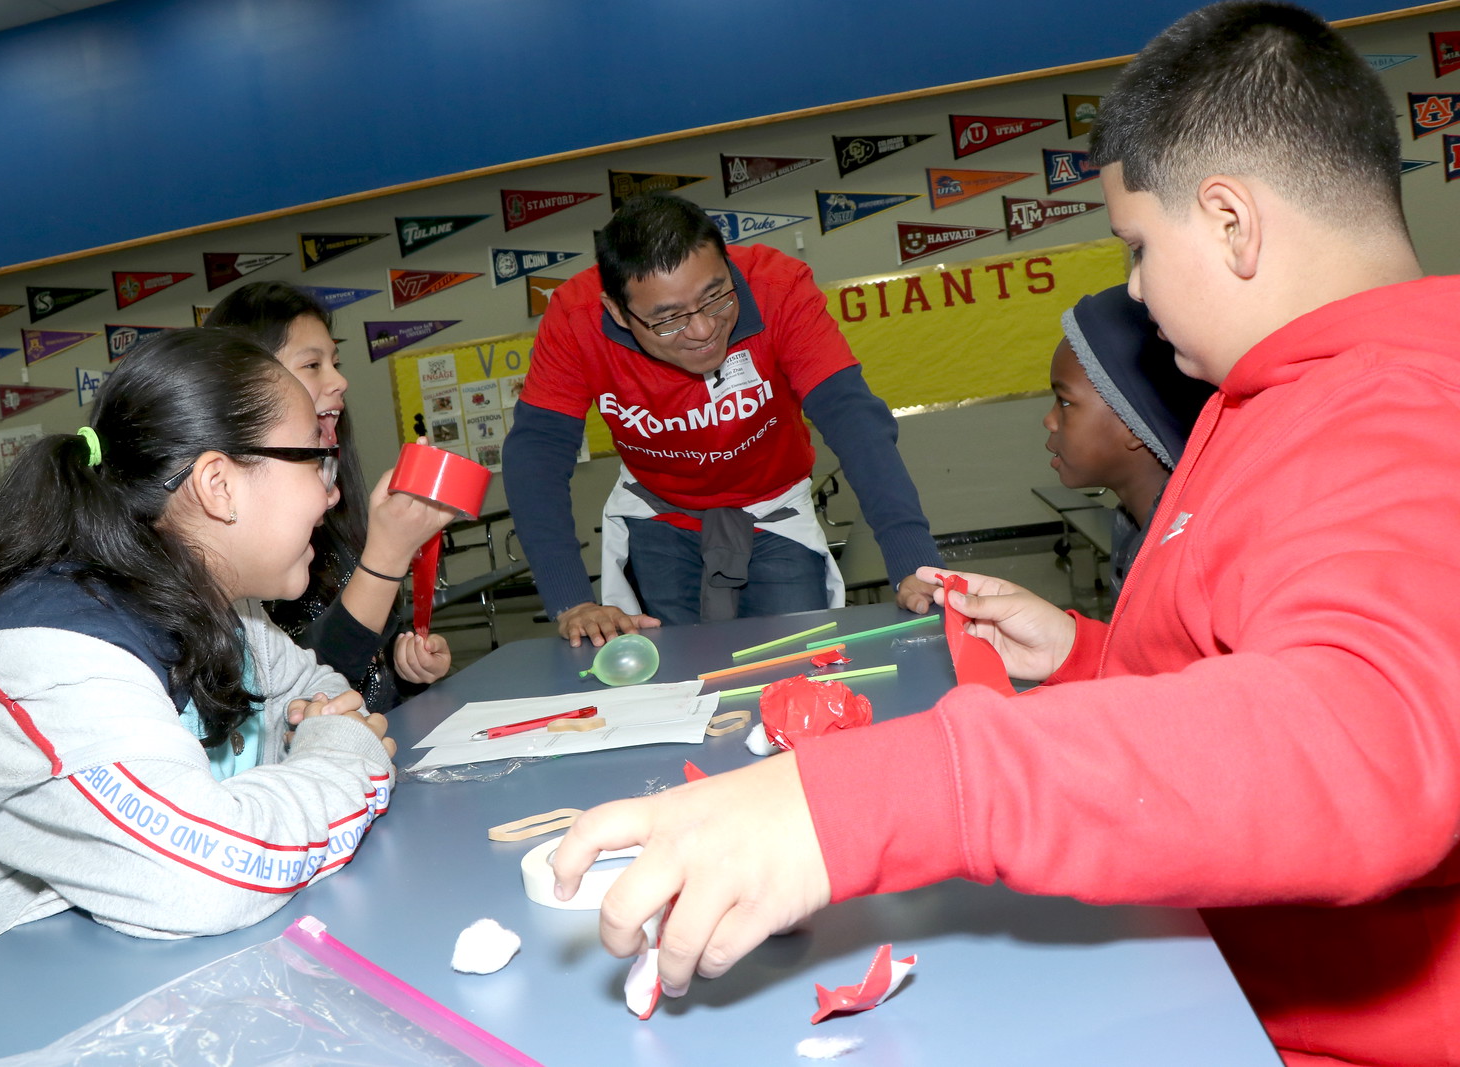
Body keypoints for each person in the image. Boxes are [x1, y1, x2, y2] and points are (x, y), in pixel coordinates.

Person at [550, 5, 1460, 1064]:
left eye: (1136, 248)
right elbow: (1251, 666)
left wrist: (867, 800)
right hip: (1193, 954)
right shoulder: (1268, 396)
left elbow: (1361, 741)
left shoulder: (1402, 410)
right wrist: (1084, 653)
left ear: (1229, 223)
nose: (1132, 287)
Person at [0, 329, 398, 967]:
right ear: (219, 484)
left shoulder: (227, 611)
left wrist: (323, 738)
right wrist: (343, 757)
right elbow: (207, 879)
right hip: (43, 1005)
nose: (332, 493)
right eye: (315, 460)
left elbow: (325, 692)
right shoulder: (52, 655)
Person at [502, 192, 944, 647]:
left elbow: (853, 418)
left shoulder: (779, 287)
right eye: (668, 320)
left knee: (796, 663)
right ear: (616, 311)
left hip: (774, 506)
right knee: (676, 674)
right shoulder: (576, 319)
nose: (702, 329)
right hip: (660, 511)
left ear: (729, 266)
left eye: (715, 297)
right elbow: (536, 452)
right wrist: (572, 601)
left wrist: (913, 563)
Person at [204, 283, 455, 712]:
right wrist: (386, 557)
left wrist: (403, 662)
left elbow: (361, 664)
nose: (340, 381)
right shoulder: (235, 543)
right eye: (312, 364)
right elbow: (294, 697)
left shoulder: (336, 505)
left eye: (334, 362)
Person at [1044, 284, 1213, 592]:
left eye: (1065, 402)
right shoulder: (1135, 536)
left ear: (1133, 423)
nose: (1049, 420)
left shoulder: (1194, 570)